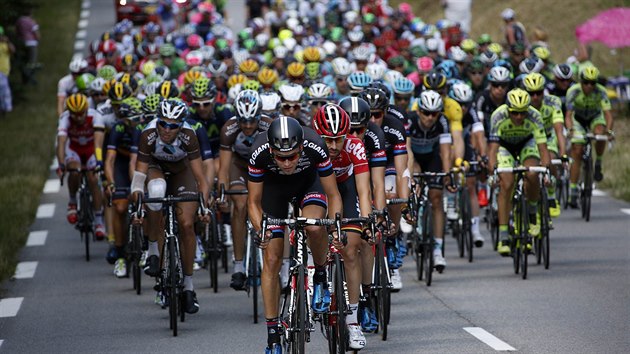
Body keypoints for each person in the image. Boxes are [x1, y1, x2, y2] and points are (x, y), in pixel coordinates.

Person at [247, 116, 342, 354]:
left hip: (308, 186)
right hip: (273, 191)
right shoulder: (258, 151)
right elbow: (253, 202)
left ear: (301, 147)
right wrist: (262, 231)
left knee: (313, 226)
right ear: (271, 150)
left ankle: (320, 275)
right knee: (271, 259)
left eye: (292, 156)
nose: (287, 162)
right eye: (280, 157)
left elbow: (333, 193)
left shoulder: (315, 144)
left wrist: (335, 226)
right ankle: (272, 335)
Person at [131, 98, 210, 315]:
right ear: (156, 122)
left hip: (181, 170)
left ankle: (188, 287)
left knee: (185, 224)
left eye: (173, 125)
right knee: (155, 192)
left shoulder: (188, 135)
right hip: (156, 167)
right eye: (163, 124)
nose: (167, 130)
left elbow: (200, 177)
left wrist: (204, 207)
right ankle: (154, 251)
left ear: (181, 125)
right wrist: (137, 207)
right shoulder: (148, 135)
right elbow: (139, 177)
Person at [312, 103, 370, 350]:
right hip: (317, 189)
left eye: (338, 139)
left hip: (345, 190)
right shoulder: (310, 146)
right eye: (328, 140)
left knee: (352, 248)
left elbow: (364, 189)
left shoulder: (355, 145)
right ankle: (316, 277)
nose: (334, 146)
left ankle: (353, 320)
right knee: (312, 230)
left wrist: (367, 222)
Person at [217, 90, 272, 291]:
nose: (248, 126)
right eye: (243, 121)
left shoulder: (269, 125)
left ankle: (278, 265)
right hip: (239, 165)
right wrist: (222, 193)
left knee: (268, 205)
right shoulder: (229, 129)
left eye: (252, 121)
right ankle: (238, 266)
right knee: (240, 205)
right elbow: (223, 168)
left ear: (259, 116)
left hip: (264, 166)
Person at [487, 89, 550, 256]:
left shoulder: (535, 116)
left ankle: (532, 212)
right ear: (508, 109)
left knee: (532, 174)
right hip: (505, 146)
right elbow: (492, 151)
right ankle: (503, 236)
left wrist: (545, 170)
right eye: (515, 113)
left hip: (526, 143)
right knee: (506, 184)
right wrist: (493, 172)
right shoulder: (497, 116)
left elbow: (543, 149)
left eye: (523, 113)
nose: (519, 117)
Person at [407, 90, 456, 271]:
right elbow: (407, 151)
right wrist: (409, 177)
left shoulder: (442, 122)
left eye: (434, 113)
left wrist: (448, 174)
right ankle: (415, 225)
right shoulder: (410, 120)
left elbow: (445, 151)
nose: (430, 117)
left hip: (433, 157)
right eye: (426, 113)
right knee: (416, 182)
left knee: (436, 198)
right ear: (419, 111)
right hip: (415, 159)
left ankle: (437, 248)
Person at [56, 93, 106, 240]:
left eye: (81, 114)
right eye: (75, 115)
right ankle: (72, 202)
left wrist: (98, 162)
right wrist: (61, 164)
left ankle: (98, 221)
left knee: (93, 179)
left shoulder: (95, 116)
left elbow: (98, 143)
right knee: (75, 171)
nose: (78, 117)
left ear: (86, 109)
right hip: (74, 150)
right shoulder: (64, 118)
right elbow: (61, 143)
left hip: (91, 150)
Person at [565, 66, 614, 207]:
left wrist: (609, 132)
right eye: (586, 82)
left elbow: (608, 116)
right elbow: (568, 116)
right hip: (578, 119)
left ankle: (598, 162)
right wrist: (570, 130)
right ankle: (573, 190)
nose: (589, 86)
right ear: (581, 81)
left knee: (600, 133)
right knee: (577, 150)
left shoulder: (601, 91)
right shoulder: (573, 91)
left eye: (593, 83)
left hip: (594, 117)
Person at [15, 7, 40, 84]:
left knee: (24, 62)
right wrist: (38, 39)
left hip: (22, 42)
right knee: (32, 63)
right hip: (32, 43)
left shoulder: (19, 21)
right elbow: (36, 33)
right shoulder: (31, 21)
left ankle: (24, 79)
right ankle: (31, 79)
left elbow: (17, 31)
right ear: (30, 13)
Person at [0, 26, 15, 115]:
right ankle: (5, 108)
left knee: (4, 91)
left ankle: (5, 109)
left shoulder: (4, 45)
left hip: (4, 71)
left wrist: (8, 41)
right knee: (4, 91)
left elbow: (12, 50)